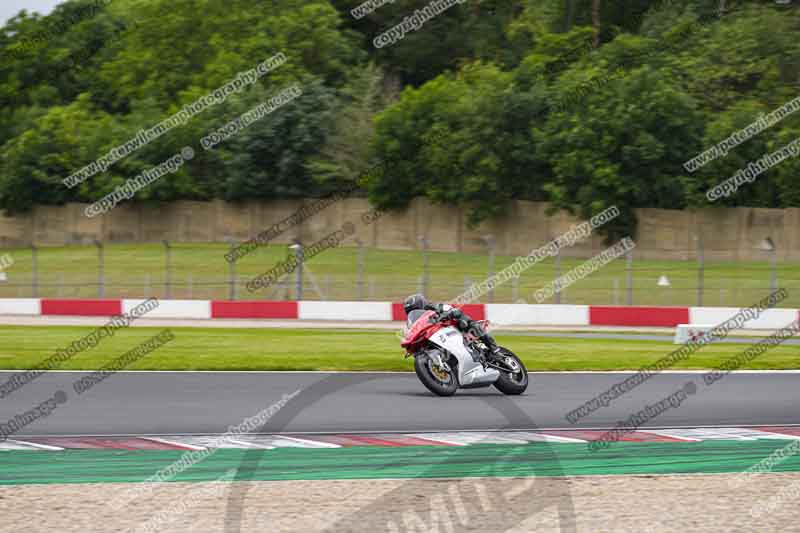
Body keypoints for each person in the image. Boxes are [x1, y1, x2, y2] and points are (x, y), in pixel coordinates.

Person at [402, 293, 501, 357]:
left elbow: (448, 308)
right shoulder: (412, 322)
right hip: (435, 334)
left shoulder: (433, 306)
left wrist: (446, 313)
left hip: (450, 324)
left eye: (415, 308)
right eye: (410, 311)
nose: (413, 312)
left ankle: (494, 348)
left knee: (466, 322)